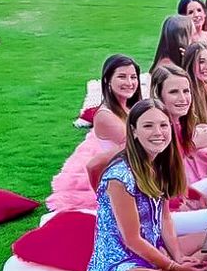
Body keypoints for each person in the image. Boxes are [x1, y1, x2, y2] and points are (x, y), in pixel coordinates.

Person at [86, 99, 207, 271]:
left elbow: (165, 218)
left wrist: (177, 256)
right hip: (123, 264)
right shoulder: (120, 177)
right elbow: (132, 240)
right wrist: (173, 266)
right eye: (148, 126)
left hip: (153, 247)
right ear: (133, 131)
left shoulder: (160, 163)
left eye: (163, 125)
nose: (158, 132)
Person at [47, 54, 141, 212]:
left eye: (133, 77)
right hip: (124, 178)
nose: (129, 83)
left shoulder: (130, 107)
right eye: (122, 77)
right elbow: (138, 144)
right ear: (107, 80)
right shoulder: (105, 115)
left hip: (136, 169)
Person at [150, 64, 207, 186]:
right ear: (158, 95)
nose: (183, 98)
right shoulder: (154, 127)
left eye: (186, 91)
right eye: (174, 92)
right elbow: (160, 167)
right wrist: (194, 144)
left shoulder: (179, 121)